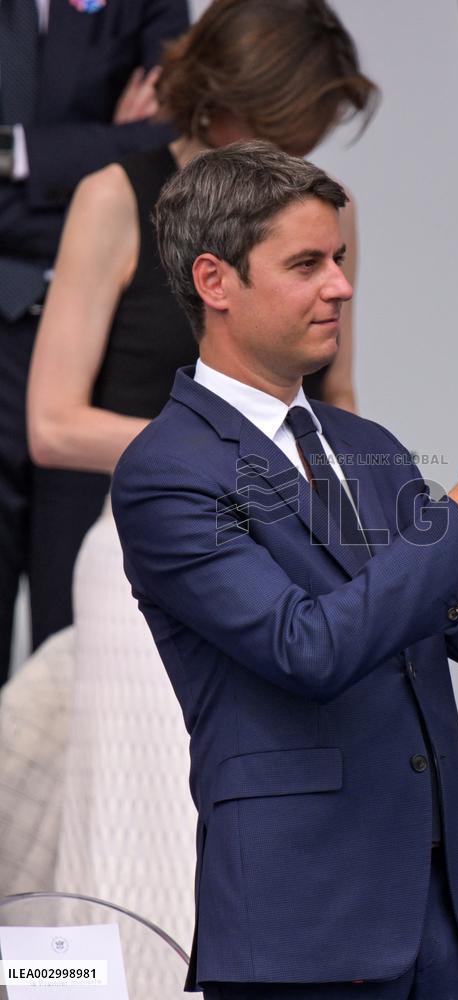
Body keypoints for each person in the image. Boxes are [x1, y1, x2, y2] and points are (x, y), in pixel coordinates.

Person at [111, 139, 458, 998]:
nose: (342, 285)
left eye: (340, 257)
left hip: (446, 923)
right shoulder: (164, 470)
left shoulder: (367, 449)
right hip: (302, 923)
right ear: (215, 282)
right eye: (307, 264)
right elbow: (306, 649)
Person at [20, 0, 376, 952]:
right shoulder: (113, 194)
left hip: (285, 558)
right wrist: (213, 447)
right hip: (144, 549)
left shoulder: (325, 212)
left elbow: (337, 411)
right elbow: (53, 423)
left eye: (311, 140)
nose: (298, 159)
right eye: (284, 130)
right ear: (223, 105)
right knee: (137, 833)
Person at [0, 0, 189, 684]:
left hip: (103, 358)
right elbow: (127, 169)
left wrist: (14, 154)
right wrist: (95, 153)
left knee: (78, 650)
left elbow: (171, 132)